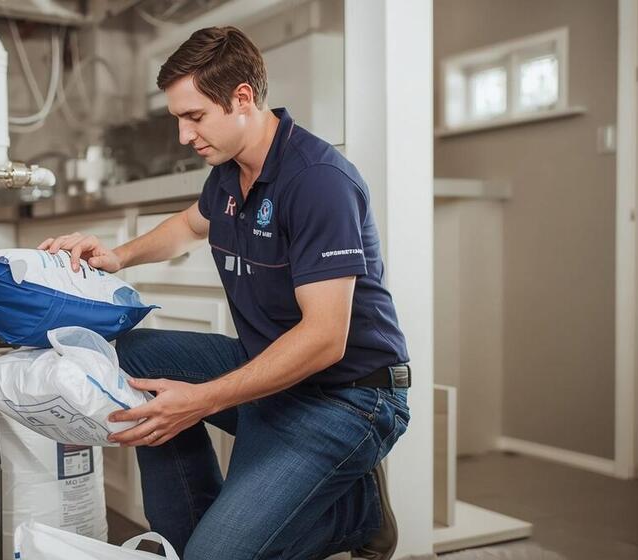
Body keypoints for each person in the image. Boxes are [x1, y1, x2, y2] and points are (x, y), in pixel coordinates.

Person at [38, 26, 411, 560]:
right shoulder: (229, 172)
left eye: (195, 116)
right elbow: (190, 225)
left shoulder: (318, 180)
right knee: (135, 355)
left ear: (242, 98)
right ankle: (187, 537)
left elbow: (326, 339)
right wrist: (117, 256)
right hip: (273, 371)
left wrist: (199, 401)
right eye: (179, 119)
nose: (184, 135)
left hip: (348, 396)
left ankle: (356, 515)